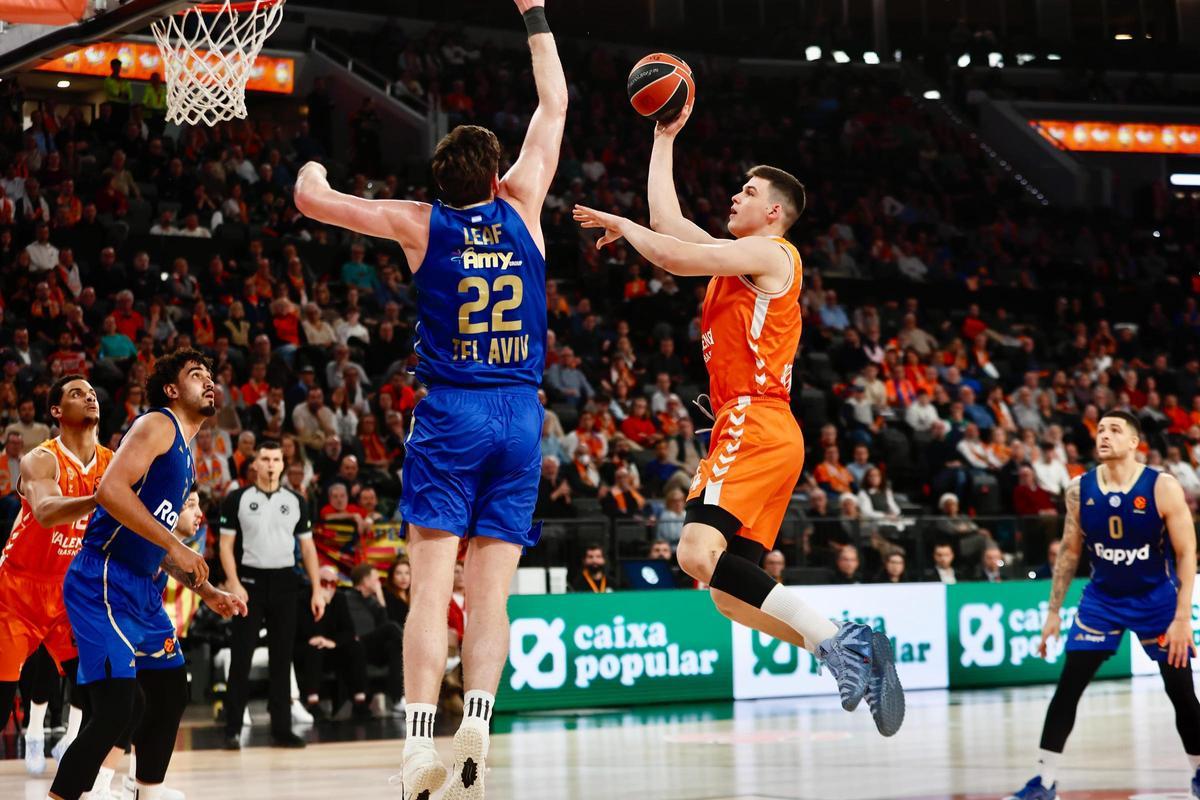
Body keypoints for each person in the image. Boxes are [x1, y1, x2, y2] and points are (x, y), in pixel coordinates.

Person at [292, 2, 568, 795]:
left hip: (452, 413)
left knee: (429, 586)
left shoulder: (420, 223)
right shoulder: (523, 203)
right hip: (520, 413)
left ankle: (417, 747)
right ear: (495, 175)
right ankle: (477, 717)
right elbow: (553, 104)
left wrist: (312, 170)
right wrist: (534, 14)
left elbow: (316, 202)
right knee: (492, 593)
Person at [574, 84, 902, 737]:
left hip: (753, 420)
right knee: (728, 593)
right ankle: (841, 654)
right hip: (762, 429)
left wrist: (623, 228)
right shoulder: (736, 266)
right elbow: (669, 226)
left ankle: (846, 641)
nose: (735, 196)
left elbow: (668, 253)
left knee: (696, 555)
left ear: (775, 212)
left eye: (748, 192)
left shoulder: (774, 254)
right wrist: (663, 138)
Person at [50, 350, 247, 800]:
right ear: (173, 390)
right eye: (196, 375)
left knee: (170, 689)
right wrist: (176, 543)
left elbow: (151, 542)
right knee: (117, 710)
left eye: (210, 374)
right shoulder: (157, 424)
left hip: (140, 585)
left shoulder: (186, 452)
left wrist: (208, 589)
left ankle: (147, 792)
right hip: (101, 576)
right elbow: (109, 491)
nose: (209, 381)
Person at [1006, 410, 1200, 800]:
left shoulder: (1161, 487)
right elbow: (1068, 553)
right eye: (1100, 430)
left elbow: (1187, 551)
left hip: (1156, 600)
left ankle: (1198, 772)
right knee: (1069, 685)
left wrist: (1183, 616)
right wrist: (1052, 612)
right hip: (1103, 600)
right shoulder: (1079, 490)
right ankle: (1044, 781)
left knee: (1179, 689)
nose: (1104, 436)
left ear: (1134, 442)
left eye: (1115, 430)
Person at [0, 376, 112, 776]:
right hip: (17, 592)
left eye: (92, 392)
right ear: (56, 411)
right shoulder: (41, 459)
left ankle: (75, 760)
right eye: (77, 393)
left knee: (108, 691)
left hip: (72, 593)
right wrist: (104, 497)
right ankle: (34, 734)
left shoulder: (112, 463)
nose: (89, 396)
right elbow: (46, 512)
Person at [219, 440, 324, 749]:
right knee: (241, 656)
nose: (270, 464)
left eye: (276, 459)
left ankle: (281, 728)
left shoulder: (296, 500)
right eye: (264, 459)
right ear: (255, 464)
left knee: (282, 657)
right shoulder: (237, 498)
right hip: (249, 583)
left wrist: (317, 589)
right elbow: (225, 546)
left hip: (285, 582)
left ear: (282, 463)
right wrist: (233, 582)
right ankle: (232, 728)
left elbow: (307, 548)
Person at [344, 563, 406, 715]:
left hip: (372, 647)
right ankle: (414, 649)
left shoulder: (373, 602)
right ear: (365, 581)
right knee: (392, 627)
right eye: (376, 579)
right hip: (356, 644)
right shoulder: (346, 598)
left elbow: (383, 628)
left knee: (394, 645)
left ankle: (398, 699)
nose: (379, 583)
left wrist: (381, 601)